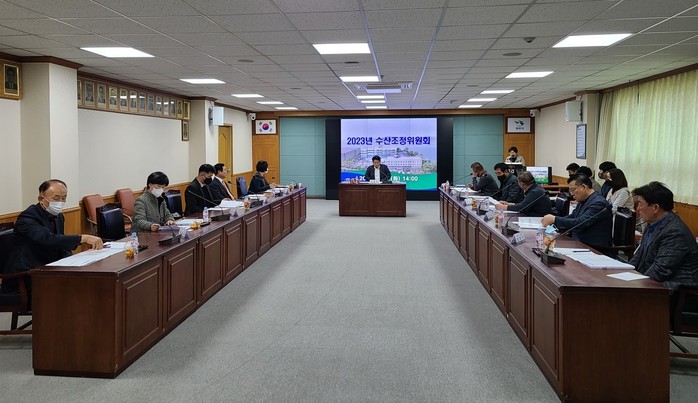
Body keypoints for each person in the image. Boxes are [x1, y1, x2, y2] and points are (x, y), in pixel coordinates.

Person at [1, 179, 103, 294]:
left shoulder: (58, 216)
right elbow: (48, 239)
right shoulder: (27, 218)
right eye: (56, 198)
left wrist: (78, 260)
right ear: (41, 199)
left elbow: (60, 245)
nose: (60, 202)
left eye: (64, 198)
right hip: (26, 275)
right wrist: (83, 238)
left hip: (49, 267)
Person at [629, 182, 698, 291]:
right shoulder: (653, 223)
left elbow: (660, 270)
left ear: (655, 208)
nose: (637, 209)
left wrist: (632, 285)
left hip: (674, 291)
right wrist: (625, 271)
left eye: (640, 204)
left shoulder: (675, 232)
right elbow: (638, 257)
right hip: (652, 282)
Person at [541, 175, 613, 247]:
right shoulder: (585, 199)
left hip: (592, 247)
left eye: (573, 190)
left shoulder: (598, 203)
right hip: (578, 242)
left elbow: (580, 223)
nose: (571, 194)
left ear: (583, 187)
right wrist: (553, 221)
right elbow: (573, 216)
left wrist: (555, 219)